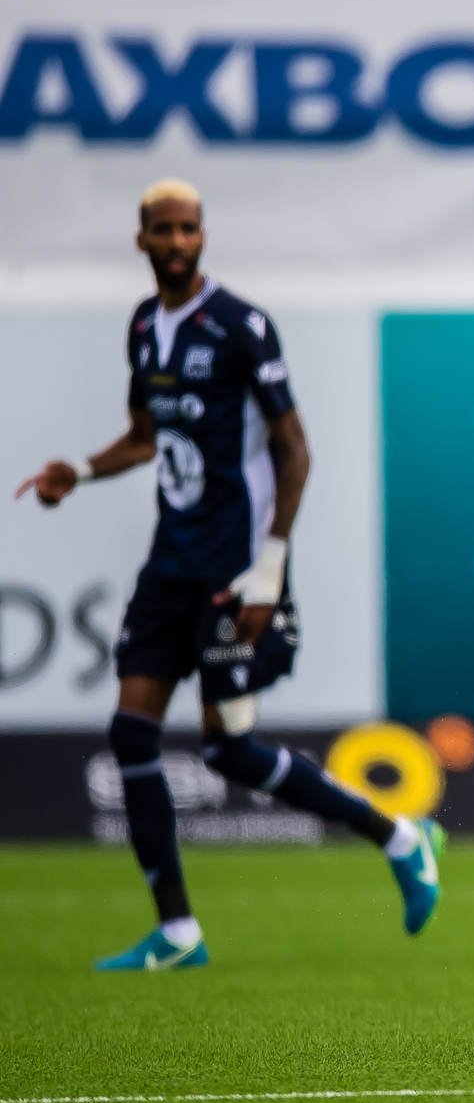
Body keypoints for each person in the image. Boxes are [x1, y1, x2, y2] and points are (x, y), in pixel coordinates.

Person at [14, 179, 445, 971]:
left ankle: (400, 836)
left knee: (229, 749)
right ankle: (178, 933)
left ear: (202, 237)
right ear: (141, 239)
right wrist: (77, 468)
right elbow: (145, 439)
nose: (177, 242)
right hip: (169, 561)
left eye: (188, 229)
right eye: (162, 230)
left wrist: (268, 572)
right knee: (131, 731)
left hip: (233, 567)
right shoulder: (145, 327)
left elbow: (296, 449)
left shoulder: (240, 325)